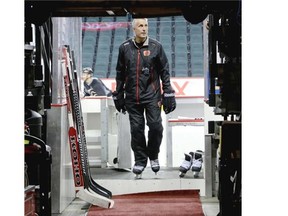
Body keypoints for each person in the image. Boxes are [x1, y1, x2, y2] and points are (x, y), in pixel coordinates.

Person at [112, 18, 176, 177]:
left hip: (152, 96)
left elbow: (165, 72)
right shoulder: (124, 48)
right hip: (132, 98)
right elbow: (120, 73)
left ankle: (153, 155)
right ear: (134, 29)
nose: (144, 28)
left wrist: (168, 92)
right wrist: (118, 94)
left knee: (155, 127)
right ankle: (140, 160)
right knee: (136, 130)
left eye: (146, 25)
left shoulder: (156, 47)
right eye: (140, 26)